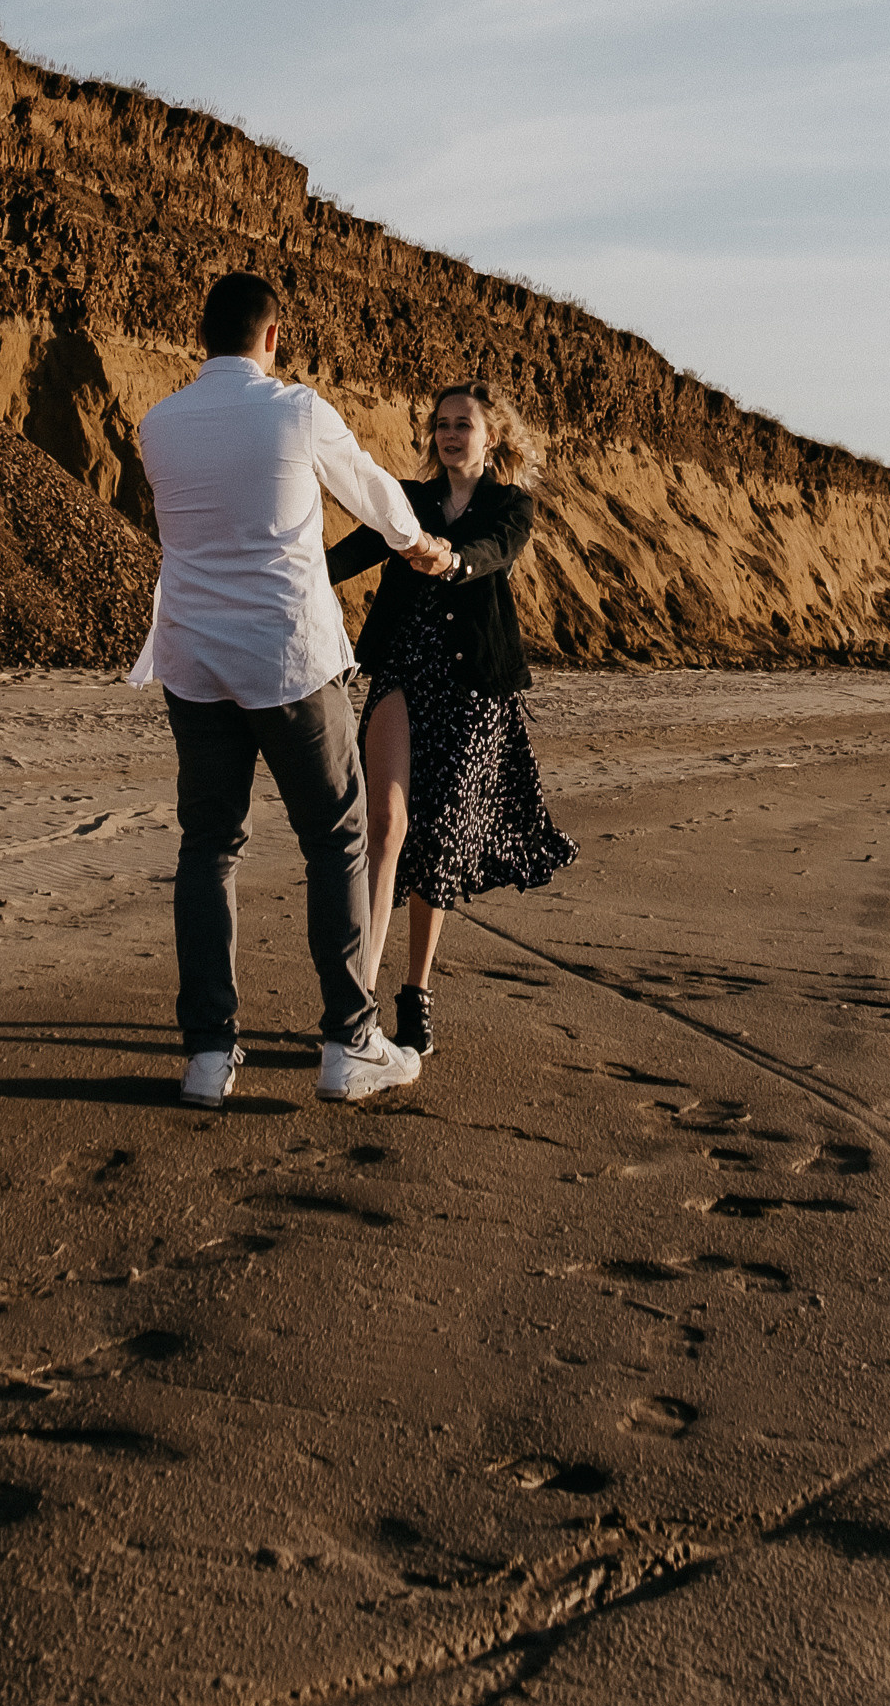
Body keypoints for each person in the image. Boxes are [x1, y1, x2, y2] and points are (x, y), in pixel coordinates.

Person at [129, 269, 450, 1109]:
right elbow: (374, 491)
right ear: (274, 336)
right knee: (336, 840)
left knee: (208, 847)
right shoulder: (296, 409)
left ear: (203, 336)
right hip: (285, 658)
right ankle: (348, 1041)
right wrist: (419, 546)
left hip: (194, 661)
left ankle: (207, 1054)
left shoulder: (156, 424)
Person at [331, 378, 576, 1061]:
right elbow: (353, 551)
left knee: (437, 841)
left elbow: (495, 551)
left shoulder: (510, 504)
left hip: (472, 688)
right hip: (403, 671)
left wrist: (451, 558)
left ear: (490, 434)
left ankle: (415, 991)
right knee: (383, 823)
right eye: (440, 423)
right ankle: (359, 999)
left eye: (462, 423)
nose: (448, 433)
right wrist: (296, 574)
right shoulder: (406, 502)